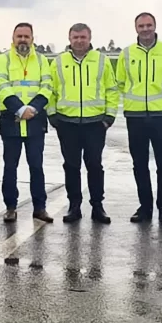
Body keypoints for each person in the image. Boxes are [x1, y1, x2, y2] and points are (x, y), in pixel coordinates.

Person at [115, 12, 162, 225]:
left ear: (155, 26)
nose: (145, 29)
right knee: (139, 164)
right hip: (135, 116)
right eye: (141, 26)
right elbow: (120, 82)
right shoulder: (126, 54)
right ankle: (145, 207)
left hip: (161, 115)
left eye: (149, 25)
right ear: (135, 28)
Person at [47, 23, 118, 224]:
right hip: (67, 123)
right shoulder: (59, 62)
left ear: (89, 38)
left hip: (95, 123)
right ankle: (74, 206)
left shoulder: (102, 61)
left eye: (83, 37)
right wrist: (53, 116)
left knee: (95, 165)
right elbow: (50, 91)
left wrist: (108, 117)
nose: (79, 41)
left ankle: (97, 206)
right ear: (69, 39)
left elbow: (111, 90)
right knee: (71, 166)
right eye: (75, 37)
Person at [0, 22, 54, 223]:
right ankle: (10, 207)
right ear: (13, 38)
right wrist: (20, 109)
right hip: (12, 121)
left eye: (26, 36)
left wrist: (33, 109)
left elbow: (47, 87)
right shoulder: (3, 59)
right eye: (19, 36)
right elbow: (2, 86)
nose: (22, 40)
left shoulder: (42, 60)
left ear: (32, 39)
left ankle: (40, 207)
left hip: (35, 122)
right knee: (10, 167)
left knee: (36, 166)